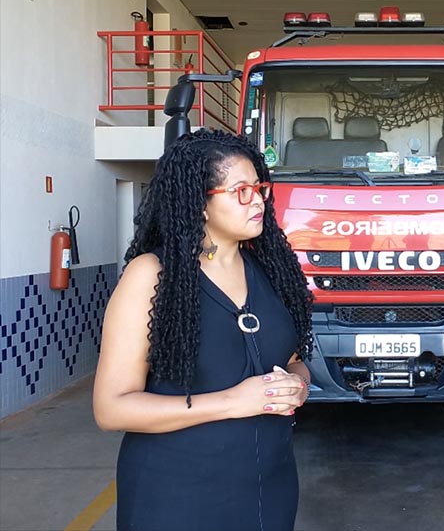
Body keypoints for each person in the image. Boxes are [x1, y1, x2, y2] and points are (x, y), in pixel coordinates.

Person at [93, 128, 314, 531]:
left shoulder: (272, 272)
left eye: (260, 188)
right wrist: (234, 401)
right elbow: (112, 408)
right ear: (200, 204)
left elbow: (294, 363)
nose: (258, 201)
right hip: (176, 495)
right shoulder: (152, 276)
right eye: (240, 190)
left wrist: (298, 385)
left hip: (270, 489)